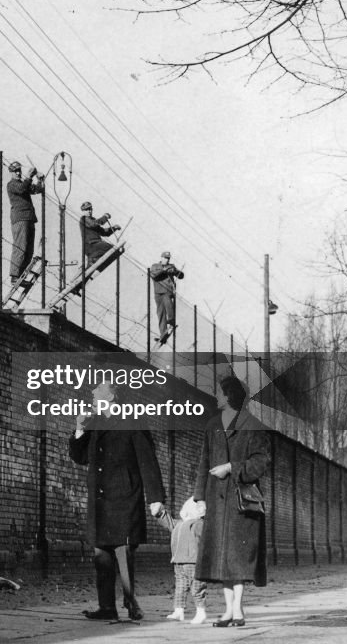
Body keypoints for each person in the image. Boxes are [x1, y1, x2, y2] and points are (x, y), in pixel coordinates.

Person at [69, 383, 165, 622]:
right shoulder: (94, 423)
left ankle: (131, 603)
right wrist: (79, 430)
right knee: (101, 553)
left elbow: (147, 461)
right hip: (101, 499)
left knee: (124, 552)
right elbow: (80, 457)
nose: (91, 394)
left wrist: (155, 499)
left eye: (97, 391)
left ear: (111, 396)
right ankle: (106, 607)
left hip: (124, 496)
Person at [193, 375, 270, 628]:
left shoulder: (254, 426)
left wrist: (231, 467)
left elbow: (261, 462)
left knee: (238, 558)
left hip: (241, 504)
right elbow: (204, 462)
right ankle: (228, 611)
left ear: (229, 396)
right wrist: (199, 498)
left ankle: (237, 610)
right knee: (222, 559)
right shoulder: (212, 425)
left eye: (219, 392)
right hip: (216, 502)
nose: (215, 396)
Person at [155, 497, 208, 624]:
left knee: (197, 586)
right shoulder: (179, 524)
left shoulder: (199, 524)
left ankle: (201, 612)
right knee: (180, 587)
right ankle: (179, 611)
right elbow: (168, 522)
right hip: (178, 561)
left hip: (193, 561)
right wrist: (160, 513)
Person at [6, 161, 43, 282]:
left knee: (28, 249)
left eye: (19, 170)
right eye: (15, 171)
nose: (18, 173)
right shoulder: (11, 185)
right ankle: (15, 275)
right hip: (20, 219)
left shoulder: (23, 183)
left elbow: (36, 189)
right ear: (11, 172)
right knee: (20, 247)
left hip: (29, 218)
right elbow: (22, 189)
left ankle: (21, 275)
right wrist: (29, 176)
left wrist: (40, 180)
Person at [149, 251, 185, 345]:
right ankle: (163, 334)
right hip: (158, 292)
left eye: (168, 258)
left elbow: (181, 276)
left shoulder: (171, 266)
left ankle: (171, 321)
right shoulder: (155, 266)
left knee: (169, 306)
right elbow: (153, 275)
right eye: (165, 258)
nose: (166, 260)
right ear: (161, 258)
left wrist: (176, 271)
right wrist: (164, 271)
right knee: (160, 313)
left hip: (167, 291)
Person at [80, 202, 120, 270]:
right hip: (91, 245)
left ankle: (93, 261)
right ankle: (92, 259)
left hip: (96, 246)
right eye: (87, 210)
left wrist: (114, 228)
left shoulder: (92, 220)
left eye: (90, 209)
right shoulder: (84, 219)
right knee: (111, 248)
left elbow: (103, 232)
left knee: (111, 252)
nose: (89, 211)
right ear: (83, 211)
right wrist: (105, 217)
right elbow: (94, 224)